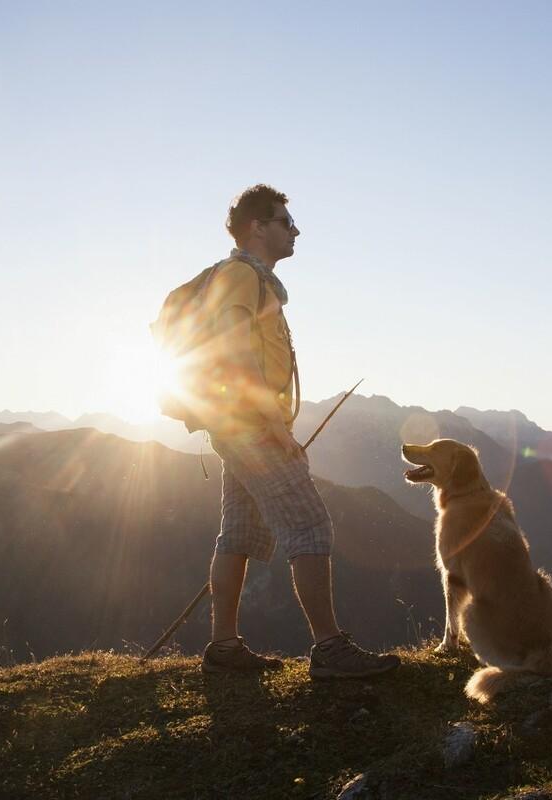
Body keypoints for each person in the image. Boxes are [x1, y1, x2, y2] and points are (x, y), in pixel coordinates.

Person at [200, 184, 400, 679]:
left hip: (235, 424)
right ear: (257, 228)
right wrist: (274, 424)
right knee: (310, 525)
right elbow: (234, 351)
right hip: (251, 427)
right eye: (286, 222)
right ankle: (329, 650)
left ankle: (224, 648)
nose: (296, 230)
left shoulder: (252, 279)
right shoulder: (241, 275)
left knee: (239, 535)